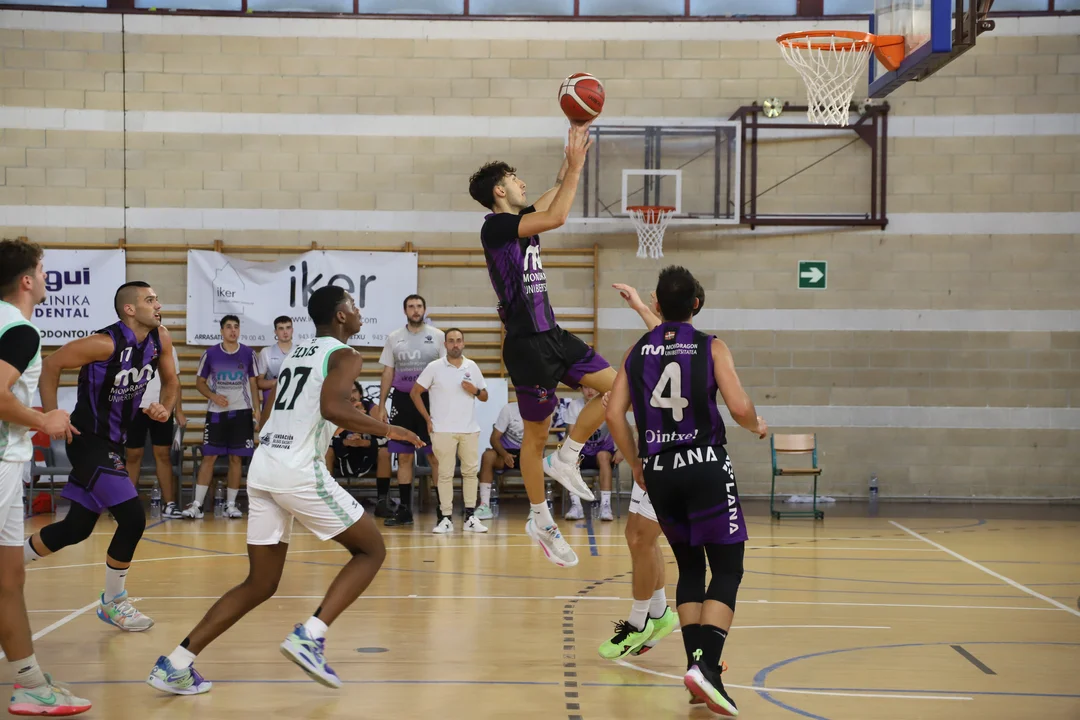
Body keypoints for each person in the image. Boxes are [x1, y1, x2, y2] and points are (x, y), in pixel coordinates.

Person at [147, 285, 423, 696]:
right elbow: (333, 408)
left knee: (260, 583)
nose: (358, 309)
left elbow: (294, 406)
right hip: (298, 470)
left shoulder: (298, 353)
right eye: (352, 304)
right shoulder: (345, 354)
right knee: (371, 551)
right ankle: (310, 635)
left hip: (265, 467)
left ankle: (176, 663)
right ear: (340, 315)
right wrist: (389, 429)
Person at [606, 266, 768, 715]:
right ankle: (708, 668)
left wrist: (636, 462)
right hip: (705, 464)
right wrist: (756, 424)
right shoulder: (711, 346)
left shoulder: (636, 351)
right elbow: (738, 406)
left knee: (691, 569)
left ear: (657, 305)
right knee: (728, 569)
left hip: (659, 470)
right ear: (696, 304)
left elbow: (614, 414)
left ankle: (697, 669)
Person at [468, 121, 616, 567]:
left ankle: (567, 457)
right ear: (499, 191)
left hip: (553, 334)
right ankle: (541, 520)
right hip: (527, 346)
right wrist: (575, 170)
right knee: (534, 438)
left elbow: (551, 197)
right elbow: (556, 216)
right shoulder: (495, 228)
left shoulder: (517, 222)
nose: (522, 183)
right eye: (515, 179)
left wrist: (570, 163)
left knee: (619, 388)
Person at [25, 281, 180, 633]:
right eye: (150, 300)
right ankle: (113, 602)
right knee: (133, 519)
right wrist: (52, 415)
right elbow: (50, 365)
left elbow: (171, 381)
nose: (158, 305)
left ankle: (9, 562)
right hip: (87, 441)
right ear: (130, 309)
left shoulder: (160, 339)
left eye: (157, 299)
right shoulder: (104, 343)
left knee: (75, 529)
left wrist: (165, 407)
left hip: (114, 443)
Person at [0, 238, 92, 715]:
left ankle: (30, 682)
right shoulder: (20, 330)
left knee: (10, 576)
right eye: (41, 269)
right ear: (26, 280)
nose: (44, 276)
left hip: (8, 463)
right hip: (0, 463)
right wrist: (44, 420)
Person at [595, 280, 705, 662]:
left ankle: (639, 621)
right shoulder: (692, 345)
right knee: (639, 537)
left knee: (642, 539)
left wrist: (620, 401)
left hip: (668, 459)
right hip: (666, 453)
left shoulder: (660, 347)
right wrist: (640, 305)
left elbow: (625, 409)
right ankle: (658, 614)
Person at [371, 295, 444, 526]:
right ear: (405, 311)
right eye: (411, 306)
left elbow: (446, 371)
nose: (415, 310)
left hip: (430, 401)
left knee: (434, 456)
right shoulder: (394, 338)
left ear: (425, 309)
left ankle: (443, 510)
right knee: (404, 456)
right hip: (402, 401)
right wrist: (382, 405)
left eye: (419, 306)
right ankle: (404, 511)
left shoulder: (438, 336)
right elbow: (387, 372)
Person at [410, 328, 489, 534]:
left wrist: (475, 390)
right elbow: (415, 392)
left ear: (463, 343)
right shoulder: (434, 367)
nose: (455, 344)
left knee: (470, 473)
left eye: (458, 340)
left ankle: (470, 517)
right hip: (442, 429)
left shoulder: (472, 366)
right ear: (445, 345)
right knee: (444, 474)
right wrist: (427, 419)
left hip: (469, 429)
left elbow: (485, 396)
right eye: (451, 341)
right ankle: (445, 518)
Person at [183, 315, 259, 519]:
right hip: (216, 414)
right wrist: (213, 396)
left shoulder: (249, 353)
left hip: (242, 412)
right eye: (228, 327)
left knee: (236, 458)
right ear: (221, 331)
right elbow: (199, 383)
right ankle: (197, 505)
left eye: (236, 327)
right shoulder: (210, 354)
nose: (233, 330)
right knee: (209, 457)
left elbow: (253, 384)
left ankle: (231, 505)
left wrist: (257, 410)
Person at [125, 343, 187, 519]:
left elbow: (174, 380)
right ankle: (126, 505)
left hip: (162, 406)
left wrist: (178, 410)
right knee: (133, 455)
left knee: (163, 454)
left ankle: (169, 504)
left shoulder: (167, 347)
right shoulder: (128, 345)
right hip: (133, 407)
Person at [562, 386, 620, 522]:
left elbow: (621, 428)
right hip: (581, 451)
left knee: (603, 456)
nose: (590, 391)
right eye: (586, 387)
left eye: (593, 388)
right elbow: (572, 435)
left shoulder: (608, 403)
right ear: (581, 389)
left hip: (603, 452)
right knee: (570, 457)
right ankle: (576, 505)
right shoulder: (575, 406)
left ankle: (605, 506)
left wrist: (622, 451)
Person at [325, 384, 390, 483]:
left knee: (385, 452)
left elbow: (387, 437)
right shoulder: (335, 411)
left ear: (360, 394)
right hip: (343, 452)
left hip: (369, 451)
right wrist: (345, 441)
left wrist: (365, 442)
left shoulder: (373, 410)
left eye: (354, 391)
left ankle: (383, 493)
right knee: (327, 451)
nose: (351, 396)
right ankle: (326, 489)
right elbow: (326, 438)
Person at [474, 401, 524, 520]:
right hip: (505, 452)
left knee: (534, 462)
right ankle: (484, 506)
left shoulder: (541, 411)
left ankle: (536, 509)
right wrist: (505, 454)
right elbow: (494, 438)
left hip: (527, 452)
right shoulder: (509, 409)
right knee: (488, 456)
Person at [256, 316, 293, 427]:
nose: (285, 332)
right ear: (275, 332)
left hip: (294, 407)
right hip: (272, 406)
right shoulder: (266, 352)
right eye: (281, 328)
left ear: (292, 330)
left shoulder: (300, 351)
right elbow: (259, 382)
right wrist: (276, 382)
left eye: (288, 327)